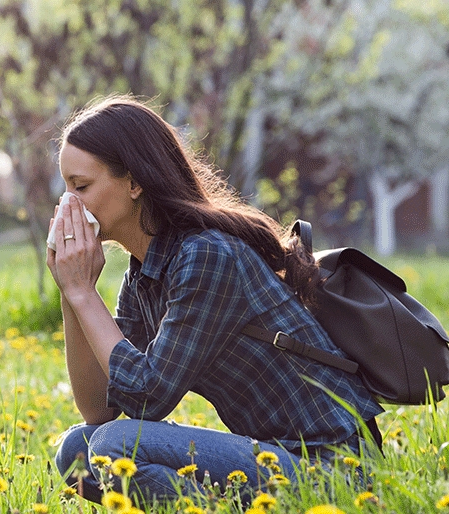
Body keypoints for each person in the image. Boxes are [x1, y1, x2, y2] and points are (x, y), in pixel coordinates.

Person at [46, 95, 383, 505]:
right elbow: (100, 410)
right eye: (65, 188)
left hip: (335, 468)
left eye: (81, 187)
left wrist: (84, 294)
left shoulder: (206, 254)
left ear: (134, 183)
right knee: (77, 451)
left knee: (114, 448)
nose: (68, 204)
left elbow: (147, 398)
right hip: (276, 458)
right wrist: (71, 292)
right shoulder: (143, 275)